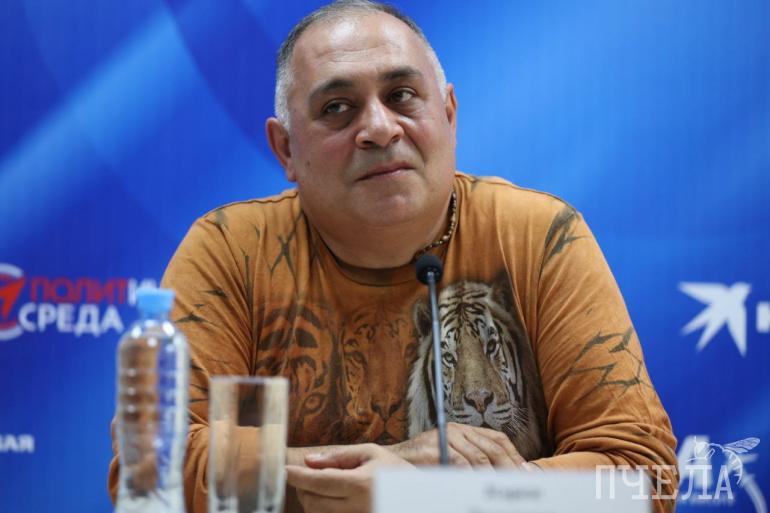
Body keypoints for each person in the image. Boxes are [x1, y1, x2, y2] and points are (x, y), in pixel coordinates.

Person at [108, 1, 678, 512]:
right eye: (337, 107)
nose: (379, 129)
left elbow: (642, 478)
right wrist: (395, 466)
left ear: (448, 114)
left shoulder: (536, 235)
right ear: (286, 149)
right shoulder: (233, 251)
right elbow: (150, 469)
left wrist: (436, 495)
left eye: (402, 95)